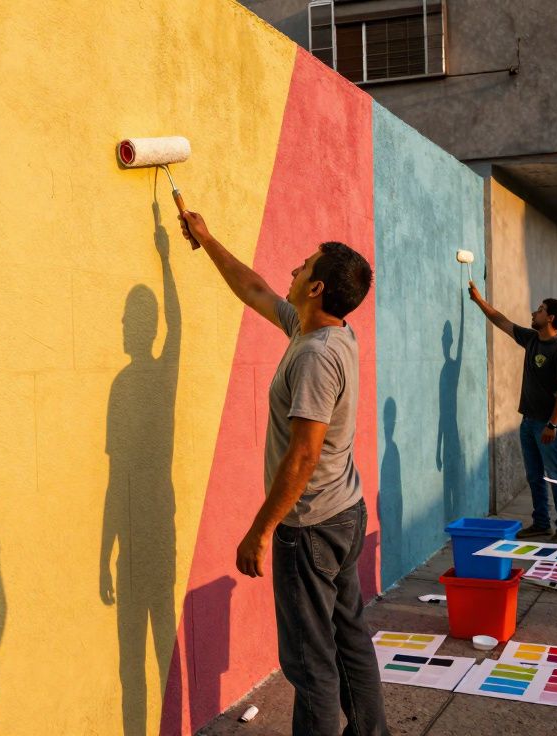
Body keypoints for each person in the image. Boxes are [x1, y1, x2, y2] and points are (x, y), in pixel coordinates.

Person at [179, 210, 390, 735]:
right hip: (344, 514)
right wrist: (207, 239)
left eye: (301, 267)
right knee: (349, 643)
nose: (292, 271)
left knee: (310, 665)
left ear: (316, 287)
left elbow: (303, 455)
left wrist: (260, 529)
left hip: (312, 527)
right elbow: (254, 289)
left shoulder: (317, 356)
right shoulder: (325, 330)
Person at [468, 281, 557, 542]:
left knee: (556, 476)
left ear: (550, 317)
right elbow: (501, 321)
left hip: (548, 425)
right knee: (534, 476)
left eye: (539, 309)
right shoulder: (531, 339)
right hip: (528, 422)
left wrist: (552, 425)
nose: (533, 312)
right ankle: (541, 523)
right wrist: (478, 300)